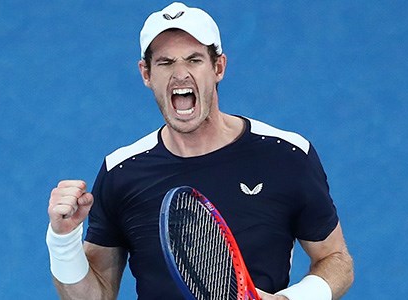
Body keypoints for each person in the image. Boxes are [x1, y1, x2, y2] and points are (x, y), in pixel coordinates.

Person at [46, 2, 353, 299]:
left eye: (193, 60)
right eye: (165, 62)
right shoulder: (122, 172)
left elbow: (336, 260)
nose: (180, 74)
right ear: (146, 74)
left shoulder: (285, 155)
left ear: (218, 67)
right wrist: (63, 241)